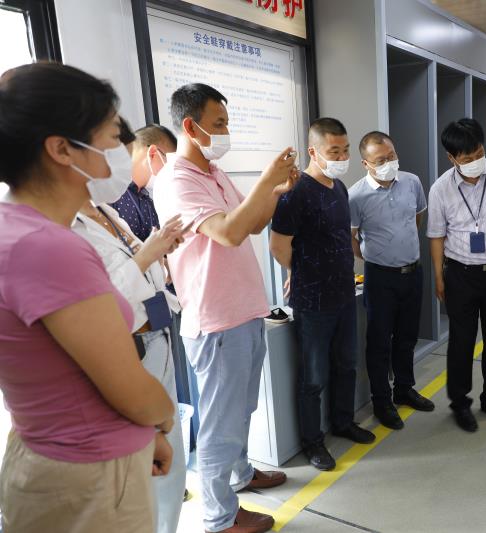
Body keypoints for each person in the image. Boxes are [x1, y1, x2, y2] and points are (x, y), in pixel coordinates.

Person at [0, 62, 175, 532]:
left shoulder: (15, 228)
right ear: (61, 149)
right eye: (112, 137)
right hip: (90, 475)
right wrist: (163, 417)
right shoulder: (49, 247)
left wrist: (144, 433)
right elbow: (131, 391)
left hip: (56, 453)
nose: (120, 152)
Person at [153, 83, 296, 533]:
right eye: (218, 124)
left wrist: (274, 191)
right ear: (190, 126)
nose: (225, 132)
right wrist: (267, 180)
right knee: (220, 424)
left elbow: (250, 224)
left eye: (227, 123)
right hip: (216, 321)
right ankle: (220, 518)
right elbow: (229, 233)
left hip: (244, 311)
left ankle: (241, 474)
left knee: (240, 411)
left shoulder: (213, 172)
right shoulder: (176, 180)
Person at [73, 195, 186, 532]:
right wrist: (148, 254)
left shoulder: (106, 211)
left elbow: (143, 275)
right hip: (130, 349)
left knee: (170, 463)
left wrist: (159, 251)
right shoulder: (65, 226)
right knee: (140, 470)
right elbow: (101, 302)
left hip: (158, 338)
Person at [270, 118, 376, 472]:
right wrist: (301, 272)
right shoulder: (296, 192)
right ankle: (312, 442)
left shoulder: (339, 187)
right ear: (313, 151)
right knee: (313, 377)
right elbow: (278, 246)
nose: (342, 157)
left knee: (346, 364)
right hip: (313, 301)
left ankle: (343, 422)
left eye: (345, 150)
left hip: (344, 293)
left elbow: (341, 237)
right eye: (335, 151)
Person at [427, 118, 486, 433]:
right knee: (462, 341)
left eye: (479, 153)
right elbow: (436, 236)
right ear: (451, 158)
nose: (475, 161)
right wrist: (439, 277)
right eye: (467, 158)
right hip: (460, 273)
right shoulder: (441, 188)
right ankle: (460, 402)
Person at [348, 131, 434, 430]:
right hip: (380, 277)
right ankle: (381, 400)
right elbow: (352, 238)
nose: (389, 163)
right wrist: (375, 256)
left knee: (407, 336)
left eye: (392, 156)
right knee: (379, 341)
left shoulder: (411, 182)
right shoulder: (355, 196)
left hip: (412, 272)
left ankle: (404, 389)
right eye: (381, 160)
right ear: (365, 163)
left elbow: (416, 219)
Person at [111, 124, 178, 242]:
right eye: (171, 165)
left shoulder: (148, 203)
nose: (172, 173)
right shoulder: (109, 192)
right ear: (152, 154)